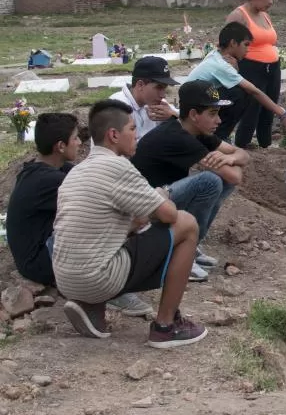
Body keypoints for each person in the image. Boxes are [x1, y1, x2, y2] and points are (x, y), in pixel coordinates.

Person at [53, 100, 207, 347]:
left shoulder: (77, 172)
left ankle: (90, 307)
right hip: (97, 278)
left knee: (128, 230)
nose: (137, 136)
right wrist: (161, 195)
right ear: (113, 135)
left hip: (66, 280)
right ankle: (166, 326)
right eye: (133, 129)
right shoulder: (117, 166)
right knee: (187, 224)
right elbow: (169, 215)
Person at [6, 114, 153, 317]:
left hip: (44, 249)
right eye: (75, 138)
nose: (79, 143)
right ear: (60, 146)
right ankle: (110, 291)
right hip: (39, 262)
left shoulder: (52, 169)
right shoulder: (46, 181)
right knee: (116, 216)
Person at [131, 80, 250, 283]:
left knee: (220, 179)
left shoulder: (194, 131)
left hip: (162, 199)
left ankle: (190, 246)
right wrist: (232, 162)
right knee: (210, 181)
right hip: (141, 210)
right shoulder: (177, 137)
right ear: (194, 115)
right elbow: (236, 176)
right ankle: (181, 251)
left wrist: (231, 159)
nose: (219, 121)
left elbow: (244, 155)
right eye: (212, 114)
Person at [187, 22, 286, 141]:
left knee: (238, 91)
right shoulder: (222, 65)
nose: (247, 50)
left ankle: (216, 136)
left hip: (194, 102)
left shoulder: (215, 54)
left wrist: (237, 70)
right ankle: (217, 139)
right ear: (233, 43)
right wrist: (282, 114)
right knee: (242, 93)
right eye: (246, 45)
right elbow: (254, 91)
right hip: (193, 108)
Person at [226, 0, 281, 148]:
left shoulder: (264, 16)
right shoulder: (239, 15)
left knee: (269, 108)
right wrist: (232, 65)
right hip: (251, 68)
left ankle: (265, 145)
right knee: (252, 109)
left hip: (272, 68)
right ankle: (243, 144)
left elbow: (269, 40)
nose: (271, 1)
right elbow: (227, 43)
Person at [109, 56, 179, 141]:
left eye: (164, 88)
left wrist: (172, 116)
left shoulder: (157, 103)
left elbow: (186, 119)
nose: (163, 95)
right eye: (159, 87)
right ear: (140, 85)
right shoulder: (117, 107)